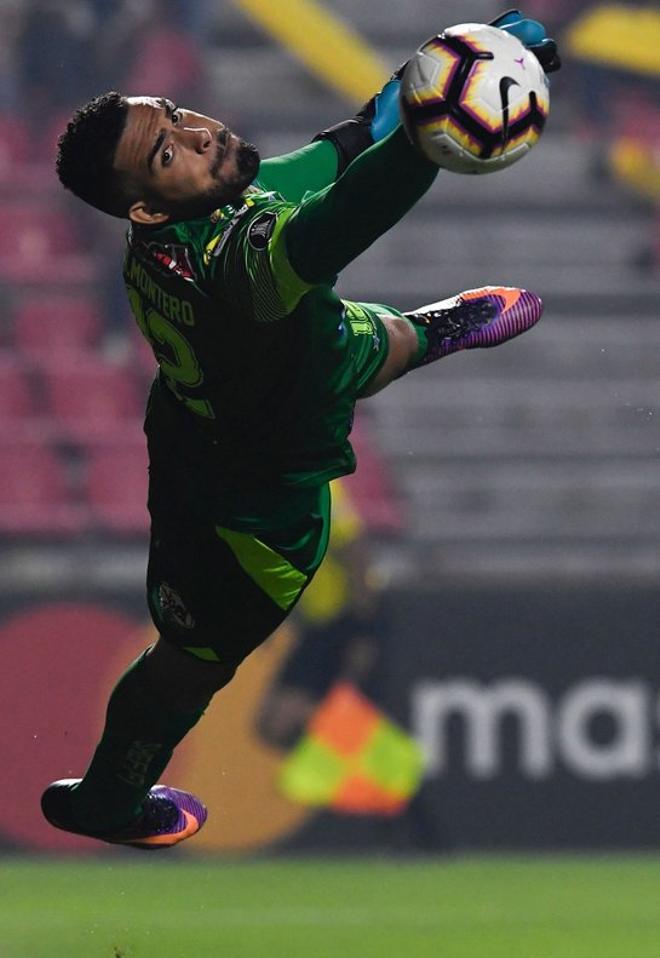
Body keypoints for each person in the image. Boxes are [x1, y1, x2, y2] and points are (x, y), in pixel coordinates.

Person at [41, 11, 560, 849]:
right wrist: (441, 127)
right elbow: (351, 207)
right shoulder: (236, 260)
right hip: (264, 505)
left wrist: (453, 59)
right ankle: (434, 330)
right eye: (168, 150)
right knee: (195, 661)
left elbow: (355, 138)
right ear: (142, 208)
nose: (198, 133)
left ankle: (106, 800)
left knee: (361, 343)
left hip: (196, 423)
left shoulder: (201, 218)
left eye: (175, 113)